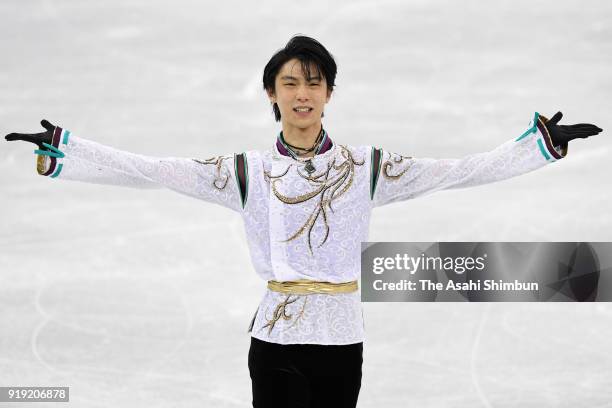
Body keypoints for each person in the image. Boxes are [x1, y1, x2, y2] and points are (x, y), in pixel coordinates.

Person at [4, 35, 603, 408]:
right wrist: (66, 149)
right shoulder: (246, 172)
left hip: (343, 338)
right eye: (290, 82)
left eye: (313, 82)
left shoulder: (366, 169)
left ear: (329, 93)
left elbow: (459, 170)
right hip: (277, 339)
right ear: (271, 93)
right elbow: (152, 170)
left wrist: (537, 146)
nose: (302, 92)